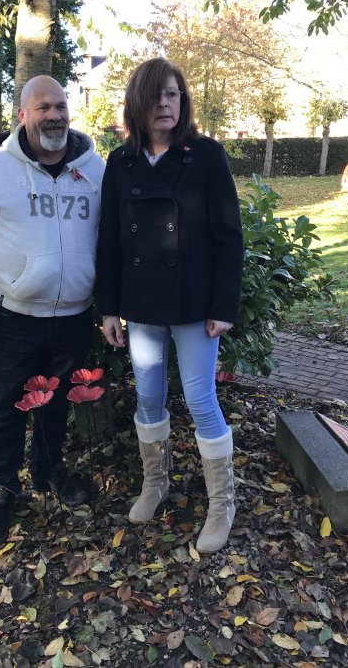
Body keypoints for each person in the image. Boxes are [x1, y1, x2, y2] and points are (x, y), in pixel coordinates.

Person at [0, 75, 105, 547]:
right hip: (15, 315)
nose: (54, 114)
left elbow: (115, 240)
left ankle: (48, 470)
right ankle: (0, 489)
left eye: (60, 105)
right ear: (22, 115)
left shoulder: (96, 170)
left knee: (59, 402)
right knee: (9, 406)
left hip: (75, 316)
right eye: (42, 107)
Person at [97, 57, 243, 554]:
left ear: (184, 103)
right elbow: (111, 241)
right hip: (141, 304)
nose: (165, 103)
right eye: (156, 95)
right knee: (148, 398)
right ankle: (155, 483)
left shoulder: (206, 156)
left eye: (174, 94)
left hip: (196, 304)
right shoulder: (121, 162)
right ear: (138, 102)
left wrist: (225, 303)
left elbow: (229, 236)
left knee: (201, 400)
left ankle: (222, 501)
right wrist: (109, 308)